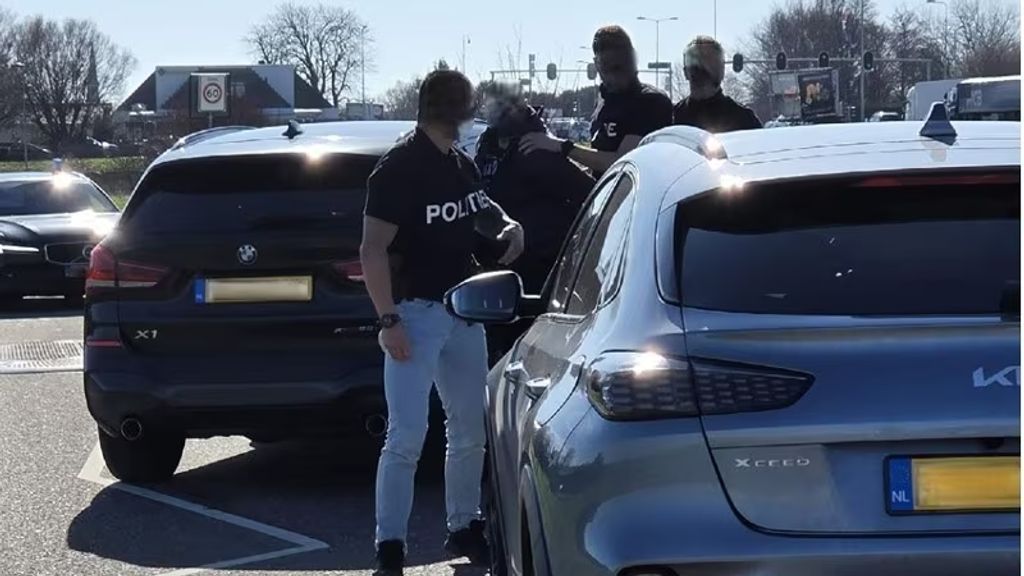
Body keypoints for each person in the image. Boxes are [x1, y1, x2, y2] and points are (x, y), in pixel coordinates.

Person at [360, 69, 525, 575]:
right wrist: (388, 321)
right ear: (453, 112)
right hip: (414, 314)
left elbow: (477, 209)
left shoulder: (460, 163)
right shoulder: (397, 169)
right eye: (466, 108)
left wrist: (506, 224)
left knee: (468, 427)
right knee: (407, 435)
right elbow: (371, 251)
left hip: (462, 312)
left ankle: (463, 523)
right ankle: (390, 544)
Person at [474, 84, 595, 363]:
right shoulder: (487, 145)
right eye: (491, 107)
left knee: (532, 360)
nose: (496, 114)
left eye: (503, 107)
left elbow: (587, 194)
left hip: (538, 273)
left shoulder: (537, 147)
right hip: (495, 271)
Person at [519, 25, 673, 177]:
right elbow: (598, 165)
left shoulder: (650, 101)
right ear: (597, 65)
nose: (615, 75)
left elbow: (624, 163)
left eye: (620, 66)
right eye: (608, 67)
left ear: (633, 59)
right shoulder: (604, 102)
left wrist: (561, 146)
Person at [673, 36, 762, 133]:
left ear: (722, 69)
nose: (705, 68)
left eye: (710, 62)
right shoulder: (672, 118)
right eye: (697, 64)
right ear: (686, 72)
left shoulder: (744, 120)